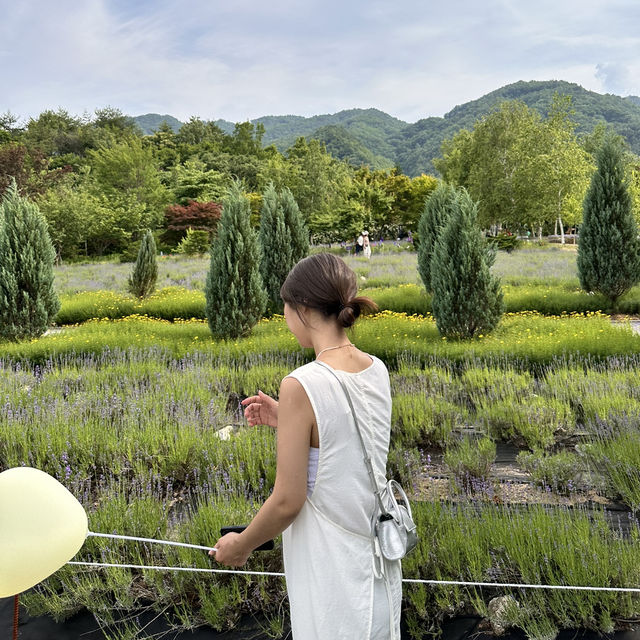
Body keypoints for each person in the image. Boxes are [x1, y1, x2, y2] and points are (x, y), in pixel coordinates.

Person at [211, 253, 402, 639]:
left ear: (300, 307)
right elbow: (349, 441)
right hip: (378, 563)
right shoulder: (375, 367)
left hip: (331, 574)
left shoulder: (301, 383)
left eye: (284, 308)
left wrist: (242, 545)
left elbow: (287, 501)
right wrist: (289, 419)